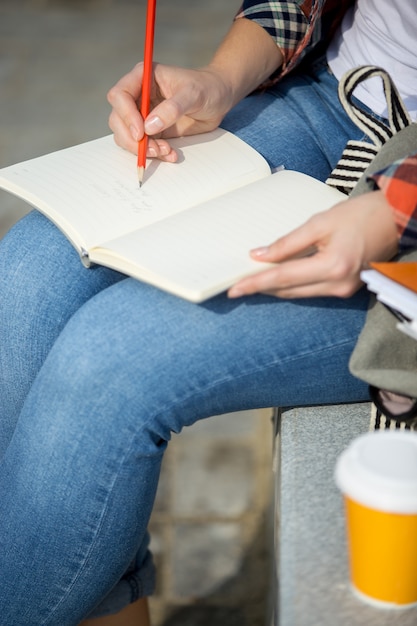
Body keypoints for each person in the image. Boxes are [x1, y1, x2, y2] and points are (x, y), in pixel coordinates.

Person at [0, 0, 416, 624]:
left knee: (111, 359)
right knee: (29, 274)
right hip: (342, 98)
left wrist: (396, 212)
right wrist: (222, 78)